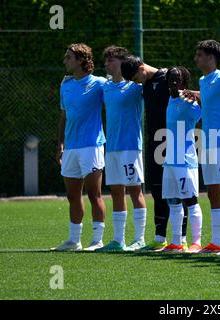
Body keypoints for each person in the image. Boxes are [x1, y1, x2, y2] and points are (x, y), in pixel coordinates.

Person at [121, 56, 189, 251]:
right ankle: (160, 237)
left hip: (173, 140)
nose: (136, 82)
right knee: (158, 190)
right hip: (155, 141)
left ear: (142, 68)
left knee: (178, 190)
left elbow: (187, 100)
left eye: (135, 77)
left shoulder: (170, 76)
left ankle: (181, 238)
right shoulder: (145, 84)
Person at [182, 40, 220, 254]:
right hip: (207, 141)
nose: (196, 59)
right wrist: (195, 94)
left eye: (199, 55)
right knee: (213, 190)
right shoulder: (204, 80)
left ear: (211, 57)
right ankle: (217, 241)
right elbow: (209, 102)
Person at [53, 43, 106, 251]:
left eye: (68, 57)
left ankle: (97, 240)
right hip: (71, 148)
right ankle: (74, 241)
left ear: (82, 61)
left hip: (91, 147)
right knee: (72, 196)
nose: (65, 60)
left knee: (95, 195)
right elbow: (64, 116)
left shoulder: (99, 84)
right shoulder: (65, 84)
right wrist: (60, 144)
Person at [94, 46, 147, 252]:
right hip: (112, 147)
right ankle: (118, 240)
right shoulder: (105, 86)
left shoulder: (135, 87)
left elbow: (157, 76)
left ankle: (140, 239)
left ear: (123, 63)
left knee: (135, 191)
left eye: (111, 60)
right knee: (116, 192)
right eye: (106, 60)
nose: (107, 64)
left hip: (130, 147)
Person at [161, 67, 203, 253]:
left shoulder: (189, 102)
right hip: (169, 160)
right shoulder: (170, 99)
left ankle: (197, 241)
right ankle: (177, 241)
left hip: (185, 160)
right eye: (171, 78)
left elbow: (208, 108)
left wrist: (196, 96)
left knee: (191, 201)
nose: (174, 82)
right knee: (173, 201)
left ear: (185, 82)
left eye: (178, 79)